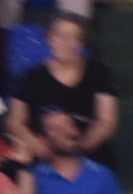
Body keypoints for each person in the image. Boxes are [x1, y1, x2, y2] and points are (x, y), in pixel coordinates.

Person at [10, 12, 119, 154]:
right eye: (60, 36)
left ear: (82, 43)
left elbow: (106, 121)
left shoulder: (98, 72)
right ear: (50, 39)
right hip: (43, 155)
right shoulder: (31, 76)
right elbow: (15, 122)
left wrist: (78, 150)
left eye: (75, 38)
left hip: (88, 154)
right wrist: (39, 148)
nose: (67, 43)